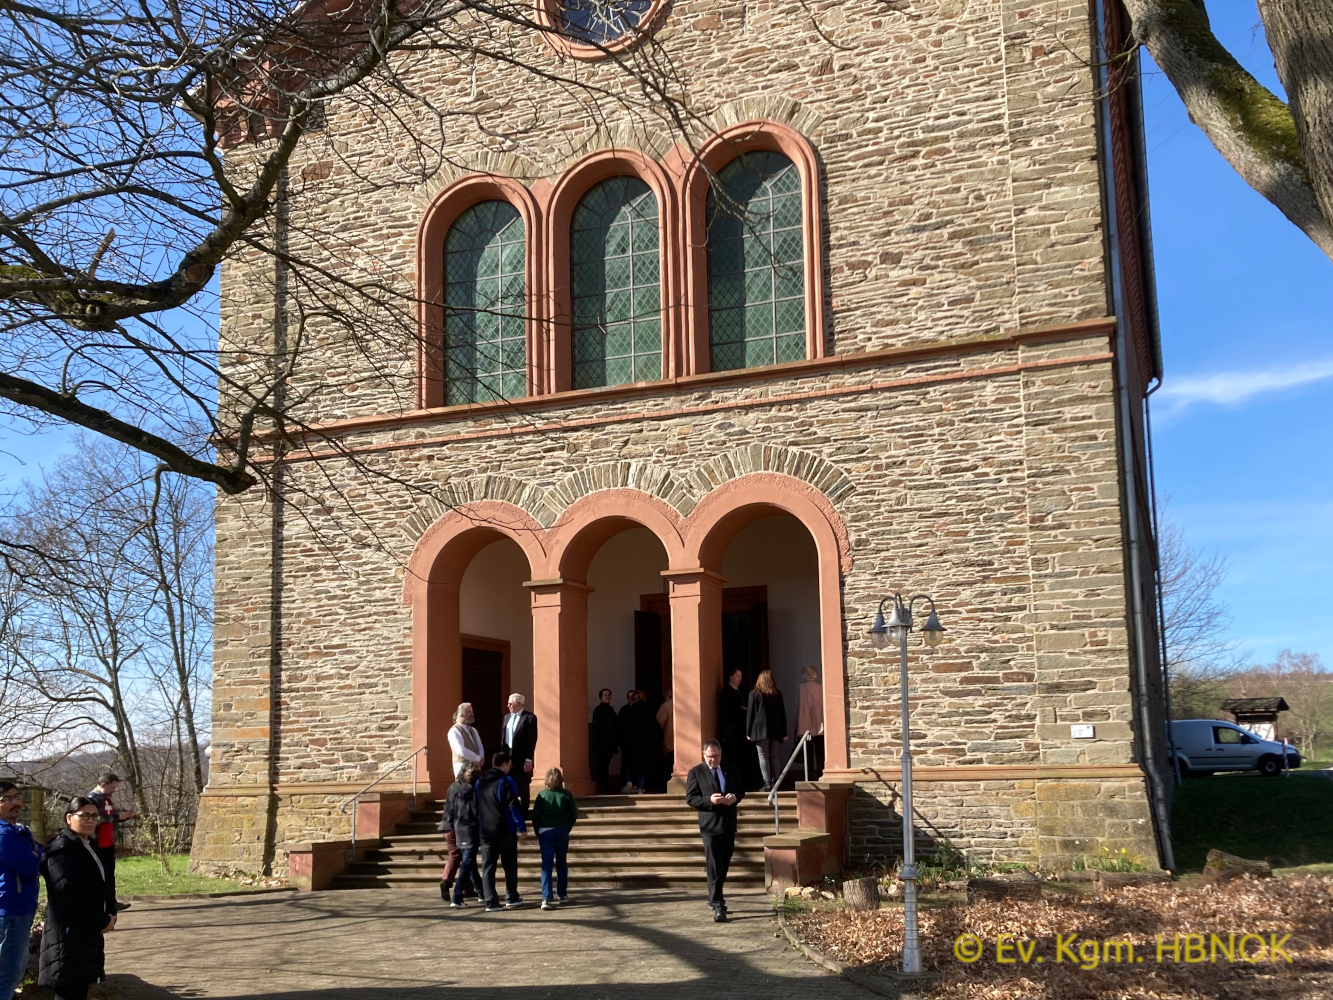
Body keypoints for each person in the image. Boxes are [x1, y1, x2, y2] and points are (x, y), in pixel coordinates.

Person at [38, 797, 115, 1000]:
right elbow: (68, 894)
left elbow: (104, 882)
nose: (90, 820)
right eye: (84, 815)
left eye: (94, 816)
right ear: (69, 818)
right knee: (69, 991)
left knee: (78, 989)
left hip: (84, 932)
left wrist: (111, 911)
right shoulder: (61, 850)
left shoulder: (89, 846)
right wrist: (102, 919)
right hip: (67, 934)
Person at [684, 740, 744, 922]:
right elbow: (691, 799)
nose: (713, 760)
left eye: (716, 756)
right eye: (710, 757)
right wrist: (709, 800)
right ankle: (718, 904)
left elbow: (740, 790)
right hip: (709, 825)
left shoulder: (729, 769)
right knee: (713, 864)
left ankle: (715, 898)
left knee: (724, 863)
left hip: (728, 823)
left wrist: (735, 797)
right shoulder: (696, 772)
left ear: (721, 754)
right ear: (704, 755)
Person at [0, 781, 43, 1000]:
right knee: (9, 973)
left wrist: (35, 852)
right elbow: (30, 866)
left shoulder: (17, 831)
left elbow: (40, 852)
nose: (16, 802)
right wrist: (34, 854)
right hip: (11, 912)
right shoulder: (3, 835)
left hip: (19, 909)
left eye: (17, 797)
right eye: (7, 799)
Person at [476, 751, 527, 911]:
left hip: (485, 829)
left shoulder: (479, 782)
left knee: (488, 866)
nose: (510, 767)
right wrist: (522, 827)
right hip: (505, 829)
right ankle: (511, 896)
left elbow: (475, 806)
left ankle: (490, 901)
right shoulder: (506, 781)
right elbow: (513, 805)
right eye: (509, 764)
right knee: (510, 865)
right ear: (504, 764)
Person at [86, 774, 135, 914]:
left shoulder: (106, 799)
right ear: (103, 784)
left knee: (109, 874)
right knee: (101, 875)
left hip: (107, 843)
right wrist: (117, 816)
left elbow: (108, 818)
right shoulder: (92, 799)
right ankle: (102, 904)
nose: (114, 790)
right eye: (112, 787)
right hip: (97, 843)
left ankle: (111, 902)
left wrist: (123, 817)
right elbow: (96, 819)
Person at [531, 767, 579, 910]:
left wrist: (537, 830)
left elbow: (535, 816)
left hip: (546, 830)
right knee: (561, 862)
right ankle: (562, 894)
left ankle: (546, 897)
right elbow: (573, 814)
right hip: (562, 829)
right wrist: (566, 826)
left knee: (546, 864)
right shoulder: (567, 795)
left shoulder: (542, 795)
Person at [443, 763, 482, 909]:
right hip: (468, 828)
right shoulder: (471, 790)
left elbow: (449, 808)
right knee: (467, 861)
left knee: (469, 861)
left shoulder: (454, 787)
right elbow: (474, 811)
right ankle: (457, 895)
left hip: (457, 827)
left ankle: (481, 891)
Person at [746, 670, 788, 792]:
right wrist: (784, 732)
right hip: (776, 730)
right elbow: (782, 714)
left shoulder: (754, 694)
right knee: (774, 756)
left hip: (760, 730)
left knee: (763, 756)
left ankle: (767, 783)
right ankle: (777, 782)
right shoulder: (777, 694)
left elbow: (750, 715)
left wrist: (748, 732)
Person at [500, 694, 538, 813]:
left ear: (519, 704)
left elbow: (531, 739)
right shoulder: (506, 717)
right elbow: (503, 738)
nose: (508, 706)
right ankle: (512, 807)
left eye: (511, 704)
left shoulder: (529, 717)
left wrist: (529, 759)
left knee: (522, 783)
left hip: (522, 756)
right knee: (508, 782)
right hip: (508, 755)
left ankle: (524, 809)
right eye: (508, 703)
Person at [718, 668, 752, 788]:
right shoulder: (726, 691)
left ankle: (743, 782)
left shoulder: (742, 692)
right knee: (732, 757)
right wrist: (740, 710)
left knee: (742, 757)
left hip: (742, 730)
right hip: (732, 731)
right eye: (737, 676)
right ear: (731, 676)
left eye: (741, 676)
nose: (739, 679)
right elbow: (728, 710)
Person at [796, 665, 825, 780]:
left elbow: (796, 708)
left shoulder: (800, 688)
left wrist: (795, 725)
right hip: (820, 726)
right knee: (820, 754)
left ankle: (809, 778)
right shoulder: (821, 688)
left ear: (804, 675)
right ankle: (820, 775)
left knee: (807, 754)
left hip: (804, 726)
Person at [591, 688, 619, 794]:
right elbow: (597, 728)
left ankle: (605, 785)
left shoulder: (611, 710)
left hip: (609, 744)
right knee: (601, 765)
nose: (607, 697)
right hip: (601, 744)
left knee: (605, 765)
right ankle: (602, 786)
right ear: (601, 697)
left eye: (609, 695)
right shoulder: (598, 710)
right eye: (605, 695)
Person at [448, 702, 485, 779]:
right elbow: (461, 750)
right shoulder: (454, 731)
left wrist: (481, 757)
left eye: (472, 711)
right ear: (461, 714)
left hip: (476, 766)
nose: (472, 714)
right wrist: (478, 758)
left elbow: (479, 746)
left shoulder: (473, 730)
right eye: (469, 712)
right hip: (462, 767)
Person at [617, 690, 639, 793]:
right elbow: (620, 726)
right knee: (626, 762)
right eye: (629, 697)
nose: (631, 699)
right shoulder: (623, 710)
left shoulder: (639, 709)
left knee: (637, 762)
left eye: (633, 697)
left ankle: (635, 784)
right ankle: (627, 782)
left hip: (636, 742)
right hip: (625, 742)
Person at [656, 688, 675, 787]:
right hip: (684, 744)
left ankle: (667, 786)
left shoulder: (666, 706)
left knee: (669, 765)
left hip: (670, 741)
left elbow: (659, 723)